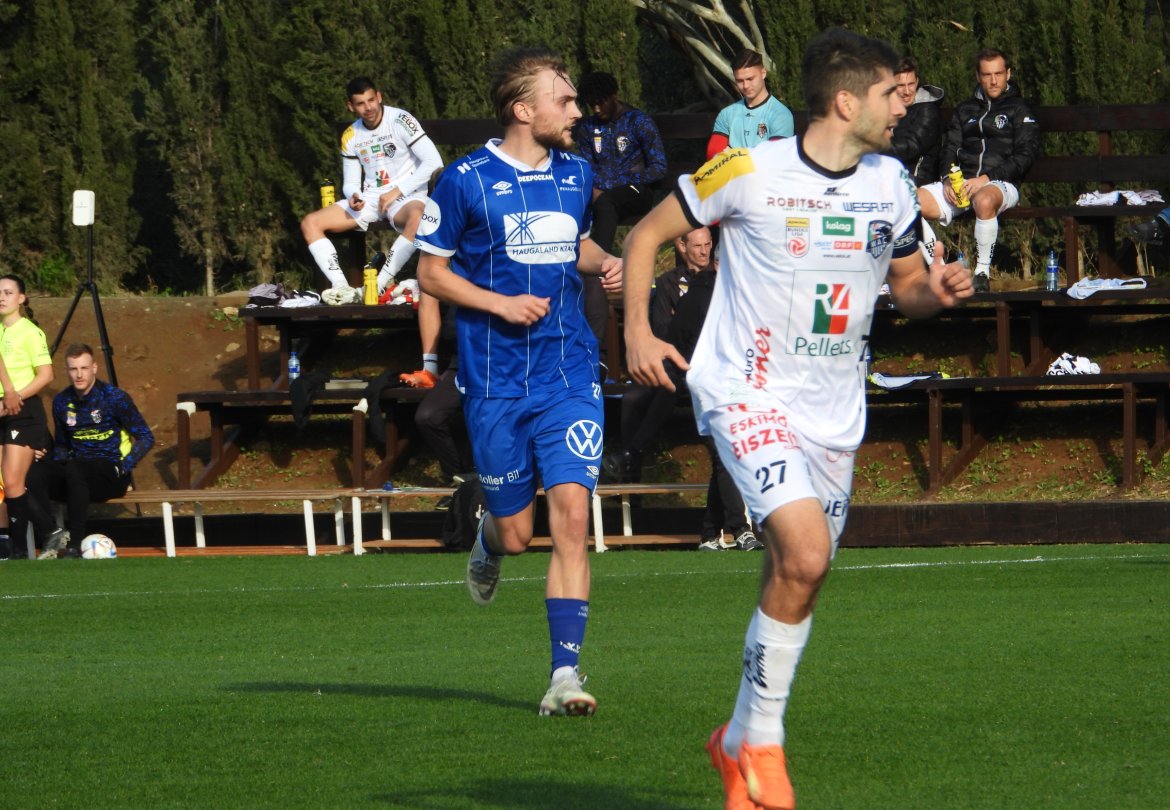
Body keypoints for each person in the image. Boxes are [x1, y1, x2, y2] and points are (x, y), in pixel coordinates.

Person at [622, 28, 973, 808]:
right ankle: (765, 744)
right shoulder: (748, 168)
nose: (903, 105)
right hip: (746, 391)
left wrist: (937, 292)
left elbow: (907, 287)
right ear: (846, 101)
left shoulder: (890, 182)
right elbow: (646, 233)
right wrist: (637, 331)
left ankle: (735, 741)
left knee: (798, 576)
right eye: (890, 93)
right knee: (806, 554)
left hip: (834, 411)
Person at [416, 47, 622, 717]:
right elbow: (431, 274)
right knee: (516, 534)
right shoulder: (464, 180)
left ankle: (564, 676)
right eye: (564, 100)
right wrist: (500, 305)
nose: (577, 110)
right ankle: (487, 541)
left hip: (569, 373)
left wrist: (606, 260)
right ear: (523, 110)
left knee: (572, 517)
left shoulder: (577, 172)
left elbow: (571, 243)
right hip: (496, 382)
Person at [300, 77, 443, 293]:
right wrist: (353, 196)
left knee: (418, 216)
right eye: (360, 103)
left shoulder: (401, 119)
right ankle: (342, 288)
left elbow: (434, 162)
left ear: (379, 97)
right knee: (310, 223)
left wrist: (397, 191)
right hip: (371, 199)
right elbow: (350, 182)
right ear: (350, 106)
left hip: (407, 196)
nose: (368, 108)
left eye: (371, 100)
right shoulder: (350, 135)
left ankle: (378, 284)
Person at [918, 49, 1040, 292]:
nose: (993, 81)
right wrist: (946, 179)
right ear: (978, 76)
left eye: (998, 74)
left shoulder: (1020, 109)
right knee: (909, 202)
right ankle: (938, 268)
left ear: (1008, 74)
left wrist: (986, 178)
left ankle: (981, 273)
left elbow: (1025, 156)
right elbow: (949, 148)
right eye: (987, 75)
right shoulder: (965, 110)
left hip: (1000, 184)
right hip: (962, 185)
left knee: (983, 200)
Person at [26, 343, 155, 559]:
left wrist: (124, 466)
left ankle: (75, 546)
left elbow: (146, 437)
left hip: (110, 473)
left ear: (94, 368)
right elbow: (62, 445)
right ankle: (52, 534)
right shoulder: (61, 401)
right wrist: (46, 458)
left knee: (76, 468)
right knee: (31, 472)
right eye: (73, 369)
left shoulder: (114, 398)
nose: (79, 375)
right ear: (66, 370)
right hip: (76, 475)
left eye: (84, 368)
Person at [572, 71, 666, 359]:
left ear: (614, 96)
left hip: (636, 192)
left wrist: (612, 183)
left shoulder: (638, 121)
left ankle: (598, 269)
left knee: (606, 203)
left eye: (601, 101)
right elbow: (585, 166)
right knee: (590, 204)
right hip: (600, 195)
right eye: (591, 103)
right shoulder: (588, 127)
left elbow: (658, 167)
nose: (596, 108)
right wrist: (595, 187)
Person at [0, 275, 55, 559]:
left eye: (8, 292)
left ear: (21, 298)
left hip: (23, 411)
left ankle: (21, 548)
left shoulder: (30, 332)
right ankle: (45, 532)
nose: (2, 297)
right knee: (5, 484)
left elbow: (46, 375)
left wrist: (15, 395)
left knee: (12, 481)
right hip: (3, 408)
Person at [706, 49, 795, 159]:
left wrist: (732, 155)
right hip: (732, 170)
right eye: (739, 81)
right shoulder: (726, 114)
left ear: (763, 73)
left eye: (750, 79)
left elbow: (773, 158)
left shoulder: (780, 115)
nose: (746, 86)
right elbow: (713, 156)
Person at [885, 57, 944, 186]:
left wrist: (873, 146)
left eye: (911, 84)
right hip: (888, 173)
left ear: (917, 82)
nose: (907, 91)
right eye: (901, 85)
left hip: (917, 180)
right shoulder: (887, 107)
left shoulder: (928, 111)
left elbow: (911, 146)